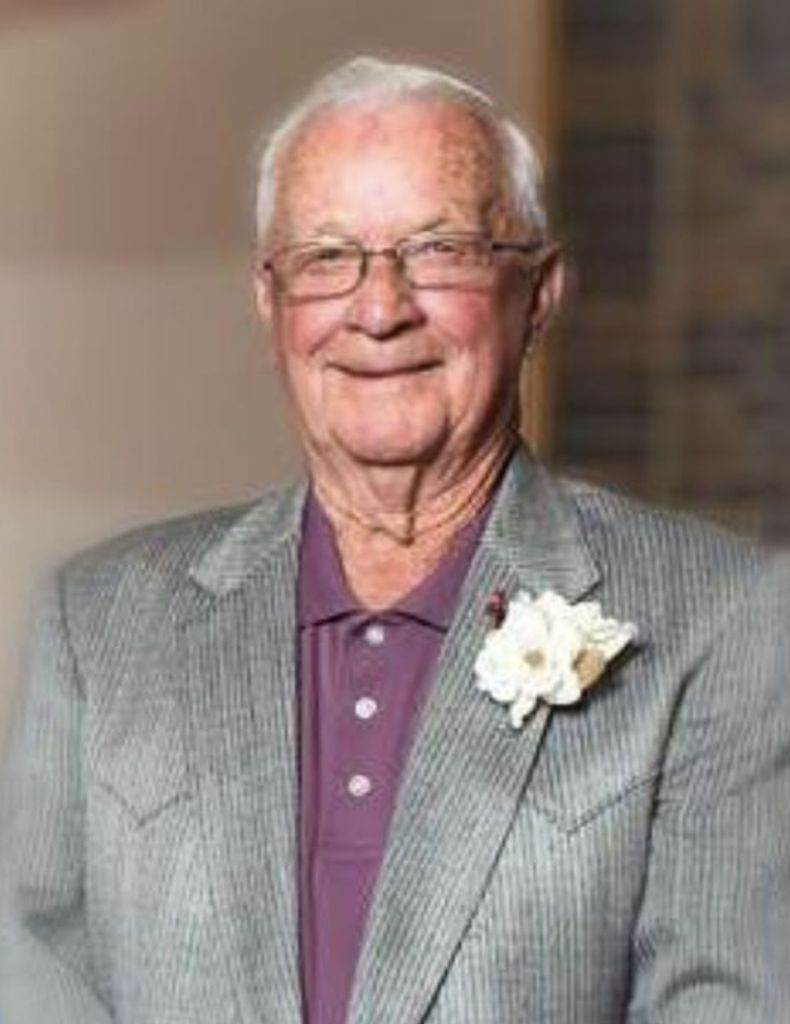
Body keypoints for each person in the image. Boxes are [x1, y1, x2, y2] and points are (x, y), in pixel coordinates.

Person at [1, 55, 789, 1024]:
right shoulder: (98, 621)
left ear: (537, 294)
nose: (379, 310)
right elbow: (30, 984)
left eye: (439, 248)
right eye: (327, 257)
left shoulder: (722, 619)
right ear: (271, 303)